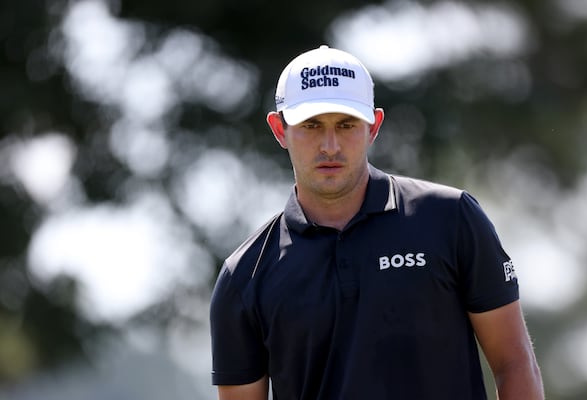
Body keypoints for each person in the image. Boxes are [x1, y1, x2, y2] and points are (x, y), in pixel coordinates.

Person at [209, 45, 544, 400]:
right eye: (311, 125)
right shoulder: (243, 276)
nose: (330, 145)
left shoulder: (451, 219)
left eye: (346, 124)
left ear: (373, 126)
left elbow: (515, 365)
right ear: (279, 129)